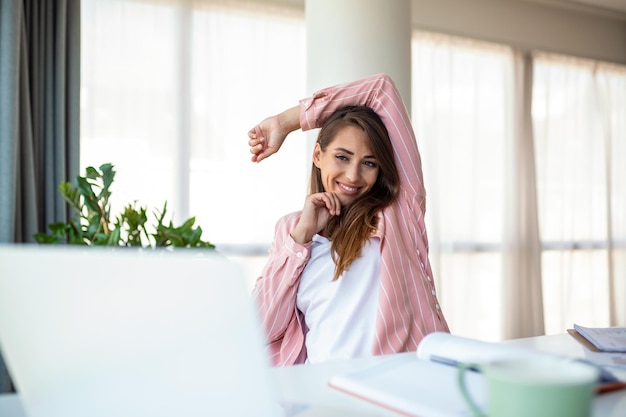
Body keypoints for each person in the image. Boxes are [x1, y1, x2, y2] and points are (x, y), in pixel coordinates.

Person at [248, 73, 449, 366]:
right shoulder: (291, 230)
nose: (353, 176)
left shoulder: (400, 213)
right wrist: (302, 236)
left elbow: (381, 89)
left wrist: (284, 123)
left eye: (369, 163)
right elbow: (261, 327)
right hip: (320, 395)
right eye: (342, 157)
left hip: (396, 387)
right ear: (318, 155)